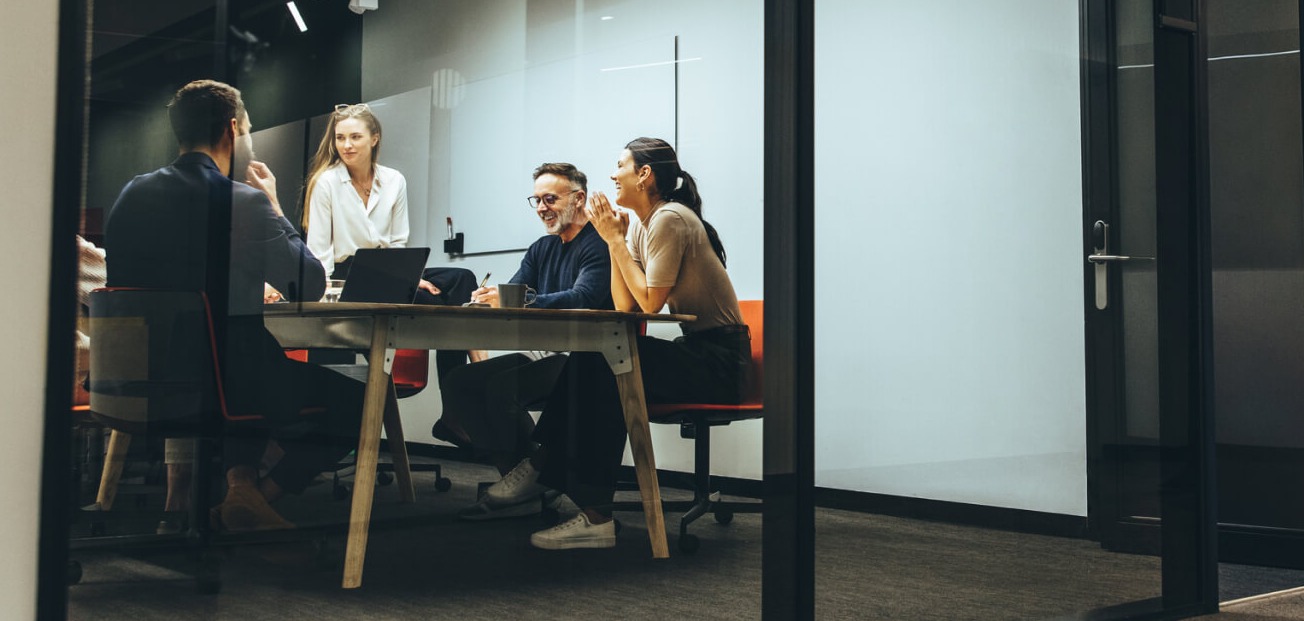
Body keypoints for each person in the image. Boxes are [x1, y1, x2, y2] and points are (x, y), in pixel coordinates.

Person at [104, 79, 388, 532]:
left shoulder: (130, 195)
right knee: (360, 398)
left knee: (251, 359)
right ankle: (256, 498)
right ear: (232, 130)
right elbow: (309, 283)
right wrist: (274, 206)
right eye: (250, 129)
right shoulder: (241, 202)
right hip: (218, 381)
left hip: (136, 377)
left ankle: (241, 491)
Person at [472, 138, 751, 549]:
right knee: (600, 358)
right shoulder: (642, 224)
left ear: (644, 174)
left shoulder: (670, 218)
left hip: (721, 362)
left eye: (620, 165)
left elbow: (652, 305)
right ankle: (568, 488)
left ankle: (566, 488)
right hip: (699, 351)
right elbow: (628, 305)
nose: (612, 173)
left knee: (606, 362)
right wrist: (612, 240)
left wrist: (615, 243)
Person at [438, 163, 612, 520]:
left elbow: (584, 298)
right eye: (536, 200)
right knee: (461, 380)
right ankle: (519, 479)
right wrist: (489, 297)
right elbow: (514, 294)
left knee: (502, 388)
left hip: (587, 359)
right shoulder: (541, 248)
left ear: (578, 199)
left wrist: (514, 299)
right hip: (546, 354)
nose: (541, 208)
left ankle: (532, 477)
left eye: (550, 199)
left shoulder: (598, 244)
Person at [301, 103, 475, 376]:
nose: (346, 145)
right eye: (340, 138)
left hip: (390, 269)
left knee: (461, 279)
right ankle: (462, 354)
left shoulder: (394, 180)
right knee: (444, 312)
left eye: (355, 137)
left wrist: (410, 276)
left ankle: (455, 394)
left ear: (374, 138)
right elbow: (319, 249)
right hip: (348, 273)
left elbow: (397, 242)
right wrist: (323, 296)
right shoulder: (327, 182)